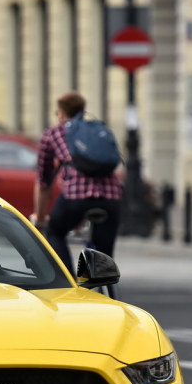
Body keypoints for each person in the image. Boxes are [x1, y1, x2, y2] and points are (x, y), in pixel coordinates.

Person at [31, 91, 123, 272]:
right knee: (103, 257)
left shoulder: (54, 133)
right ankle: (104, 284)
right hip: (111, 197)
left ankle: (69, 279)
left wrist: (40, 215)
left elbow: (44, 180)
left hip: (75, 197)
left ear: (61, 113)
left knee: (55, 232)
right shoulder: (98, 129)